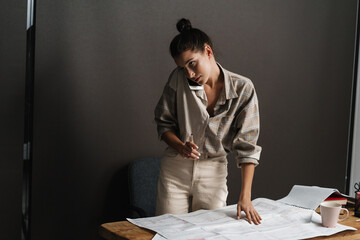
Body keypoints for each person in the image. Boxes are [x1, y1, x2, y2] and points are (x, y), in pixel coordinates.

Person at [154, 18, 262, 225]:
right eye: (183, 68)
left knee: (210, 233)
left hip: (214, 171)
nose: (189, 74)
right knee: (169, 232)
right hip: (175, 171)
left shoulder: (243, 89)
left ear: (208, 52)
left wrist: (245, 197)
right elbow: (164, 124)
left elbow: (247, 147)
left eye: (192, 64)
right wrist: (180, 146)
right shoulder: (177, 79)